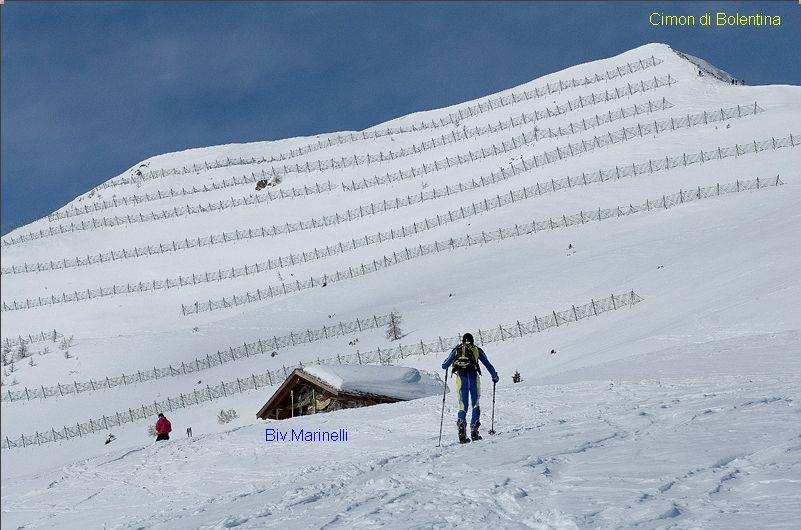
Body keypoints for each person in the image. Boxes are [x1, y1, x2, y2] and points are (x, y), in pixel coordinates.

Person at [442, 333, 498, 443]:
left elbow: (444, 366)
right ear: (472, 340)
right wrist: (494, 376)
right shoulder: (476, 350)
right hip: (473, 378)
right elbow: (488, 364)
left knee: (463, 405)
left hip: (461, 379)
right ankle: (474, 431)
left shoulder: (457, 349)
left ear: (463, 340)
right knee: (475, 403)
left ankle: (462, 428)